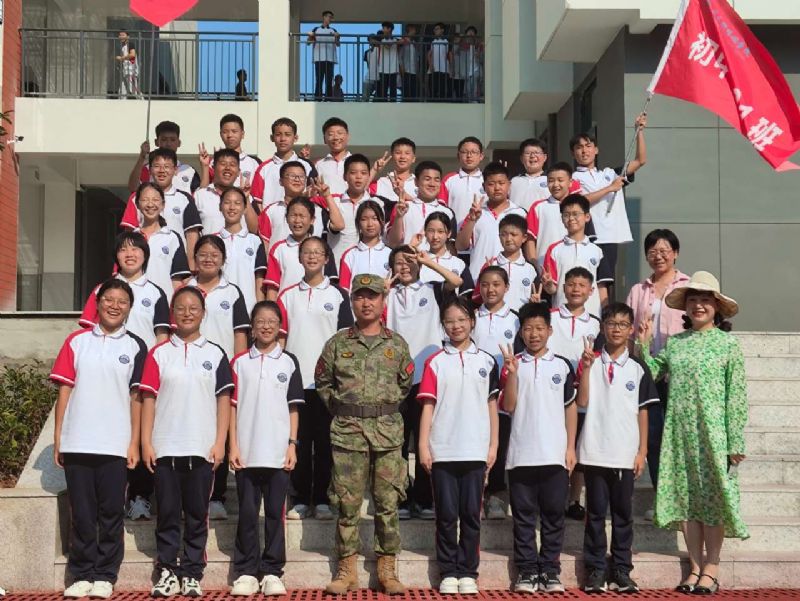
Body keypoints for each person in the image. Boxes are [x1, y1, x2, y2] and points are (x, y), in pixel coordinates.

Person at [637, 271, 748, 595]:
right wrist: (643, 344)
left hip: (714, 434)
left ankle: (712, 566)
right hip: (680, 432)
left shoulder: (728, 345)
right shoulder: (676, 343)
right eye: (693, 300)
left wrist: (735, 441)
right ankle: (695, 566)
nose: (698, 305)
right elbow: (652, 373)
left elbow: (736, 395)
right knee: (686, 501)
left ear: (717, 307)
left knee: (713, 501)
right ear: (685, 307)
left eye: (705, 300)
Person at [315, 273, 414, 594]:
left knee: (387, 502)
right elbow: (323, 383)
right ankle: (347, 568)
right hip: (348, 433)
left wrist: (381, 410)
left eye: (372, 296)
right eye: (360, 296)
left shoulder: (396, 344)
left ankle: (387, 567)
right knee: (347, 502)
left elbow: (405, 385)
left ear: (383, 301)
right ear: (352, 301)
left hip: (387, 434)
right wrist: (345, 410)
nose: (366, 302)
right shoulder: (337, 344)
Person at [52, 279, 147, 600]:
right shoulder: (76, 342)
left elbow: (137, 399)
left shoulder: (135, 346)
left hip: (115, 444)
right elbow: (65, 390)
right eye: (109, 299)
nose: (114, 306)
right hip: (78, 441)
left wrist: (134, 443)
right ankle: (81, 574)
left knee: (110, 513)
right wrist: (59, 437)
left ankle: (105, 574)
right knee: (82, 513)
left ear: (129, 308)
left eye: (122, 301)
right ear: (98, 303)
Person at [141, 286, 233, 598]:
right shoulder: (159, 354)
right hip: (165, 447)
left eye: (194, 308)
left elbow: (224, 401)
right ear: (172, 313)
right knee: (167, 514)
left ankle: (192, 572)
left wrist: (220, 442)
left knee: (197, 515)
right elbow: (148, 400)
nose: (187, 313)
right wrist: (146, 442)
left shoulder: (215, 354)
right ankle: (167, 570)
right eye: (180, 307)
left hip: (202, 449)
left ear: (203, 313)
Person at [417, 296, 499, 595]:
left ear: (472, 322)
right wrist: (423, 446)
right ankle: (448, 571)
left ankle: (468, 571)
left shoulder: (486, 361)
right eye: (450, 321)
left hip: (475, 449)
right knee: (447, 515)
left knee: (471, 515)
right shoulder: (435, 362)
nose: (456, 326)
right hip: (443, 449)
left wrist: (493, 445)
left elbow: (492, 407)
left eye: (462, 320)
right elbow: (428, 406)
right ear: (443, 325)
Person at [576, 302, 658, 594]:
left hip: (624, 453)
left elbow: (643, 411)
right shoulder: (590, 361)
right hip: (594, 450)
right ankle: (596, 569)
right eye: (611, 323)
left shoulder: (638, 367)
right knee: (596, 514)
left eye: (623, 324)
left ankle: (622, 569)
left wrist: (642, 451)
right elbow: (582, 401)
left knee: (623, 515)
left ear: (631, 329)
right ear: (602, 327)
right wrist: (586, 368)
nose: (616, 329)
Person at [499, 301, 577, 594]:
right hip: (521, 454)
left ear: (550, 331)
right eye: (528, 328)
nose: (534, 334)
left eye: (540, 328)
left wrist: (570, 447)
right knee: (523, 517)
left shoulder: (562, 365)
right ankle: (527, 570)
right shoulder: (512, 364)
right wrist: (512, 374)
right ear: (521, 331)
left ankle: (550, 570)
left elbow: (570, 408)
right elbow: (508, 406)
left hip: (554, 455)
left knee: (554, 516)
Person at [228, 301, 302, 597]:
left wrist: (292, 445)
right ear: (252, 326)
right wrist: (233, 444)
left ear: (280, 326)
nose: (266, 326)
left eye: (272, 321)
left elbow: (293, 407)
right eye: (260, 320)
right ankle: (246, 571)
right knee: (247, 513)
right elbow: (232, 407)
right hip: (246, 452)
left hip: (277, 453)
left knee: (274, 514)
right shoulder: (239, 363)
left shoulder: (289, 361)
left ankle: (272, 571)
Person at [278, 237, 353, 521]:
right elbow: (281, 338)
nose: (311, 257)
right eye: (306, 252)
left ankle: (322, 498)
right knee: (299, 440)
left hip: (326, 382)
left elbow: (345, 341)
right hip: (296, 381)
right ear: (299, 258)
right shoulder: (287, 296)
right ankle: (299, 499)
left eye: (317, 252)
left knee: (324, 443)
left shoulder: (338, 295)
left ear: (326, 259)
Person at [386, 244, 463, 519]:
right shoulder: (388, 294)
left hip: (427, 376)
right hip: (395, 378)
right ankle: (401, 498)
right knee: (397, 441)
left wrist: (428, 262)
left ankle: (424, 497)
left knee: (425, 439)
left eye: (409, 261)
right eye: (399, 262)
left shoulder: (432, 289)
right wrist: (383, 290)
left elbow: (456, 281)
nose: (404, 266)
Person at [625, 229, 689, 514]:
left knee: (677, 437)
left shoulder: (688, 287)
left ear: (675, 253)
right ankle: (661, 498)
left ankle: (682, 498)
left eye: (664, 250)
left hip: (679, 373)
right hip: (648, 373)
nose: (658, 256)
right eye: (652, 251)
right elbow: (629, 334)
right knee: (652, 436)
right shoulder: (638, 290)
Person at [570, 113, 648, 281]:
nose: (584, 150)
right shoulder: (573, 178)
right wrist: (610, 188)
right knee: (585, 280)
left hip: (610, 236)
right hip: (589, 236)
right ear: (573, 152)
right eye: (579, 147)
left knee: (605, 282)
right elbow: (580, 202)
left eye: (588, 146)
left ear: (596, 150)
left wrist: (639, 131)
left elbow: (640, 160)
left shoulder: (610, 174)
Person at [472, 266, 519, 520]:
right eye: (485, 284)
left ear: (507, 287)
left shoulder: (516, 319)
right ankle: (476, 495)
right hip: (474, 392)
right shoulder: (470, 317)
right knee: (476, 444)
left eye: (496, 284)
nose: (490, 289)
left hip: (503, 393)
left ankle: (497, 497)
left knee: (499, 445)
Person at [79, 232, 170, 350]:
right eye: (123, 250)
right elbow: (88, 330)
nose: (129, 254)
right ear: (116, 256)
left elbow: (162, 335)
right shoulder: (101, 290)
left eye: (135, 249)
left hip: (143, 358)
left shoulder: (156, 293)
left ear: (145, 254)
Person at [121, 148, 203, 270]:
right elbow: (129, 233)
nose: (162, 170)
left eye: (167, 166)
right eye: (157, 166)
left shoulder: (185, 199)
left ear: (175, 170)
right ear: (150, 170)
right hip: (142, 265)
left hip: (177, 265)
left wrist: (191, 267)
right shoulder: (136, 198)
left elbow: (192, 234)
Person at [542, 194, 612, 317]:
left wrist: (605, 316)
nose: (571, 218)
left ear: (587, 217)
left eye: (575, 214)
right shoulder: (554, 250)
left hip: (592, 315)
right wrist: (548, 285)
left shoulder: (597, 251)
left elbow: (602, 287)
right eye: (566, 215)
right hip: (561, 316)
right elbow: (552, 289)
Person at [456, 161, 526, 283]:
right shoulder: (475, 213)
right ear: (484, 186)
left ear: (509, 185)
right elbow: (460, 246)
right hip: (478, 279)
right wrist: (472, 220)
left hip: (511, 279)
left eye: (501, 183)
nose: (497, 188)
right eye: (491, 184)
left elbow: (527, 247)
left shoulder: (521, 213)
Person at [264, 196, 340, 299]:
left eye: (302, 216)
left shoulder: (323, 248)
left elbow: (331, 285)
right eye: (293, 215)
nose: (297, 220)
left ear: (312, 219)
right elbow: (272, 288)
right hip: (286, 305)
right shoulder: (278, 249)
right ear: (286, 218)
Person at [132, 182, 191, 303]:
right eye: (145, 200)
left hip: (164, 303)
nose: (150, 204)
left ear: (163, 205)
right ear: (137, 204)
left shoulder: (172, 238)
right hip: (135, 303)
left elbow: (177, 280)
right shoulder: (131, 239)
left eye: (155, 200)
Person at [257, 161, 330, 252]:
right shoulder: (270, 211)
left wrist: (327, 196)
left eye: (301, 176)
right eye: (292, 176)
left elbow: (338, 225)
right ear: (281, 181)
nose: (297, 179)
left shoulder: (318, 208)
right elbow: (265, 244)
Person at [217, 187, 267, 314]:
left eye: (237, 203)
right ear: (220, 207)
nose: (232, 207)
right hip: (219, 307)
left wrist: (259, 310)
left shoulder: (254, 241)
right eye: (227, 202)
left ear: (245, 208)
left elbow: (259, 279)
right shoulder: (213, 241)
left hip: (248, 308)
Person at [385, 160, 455, 249]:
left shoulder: (448, 212)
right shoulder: (402, 207)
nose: (432, 184)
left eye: (436, 180)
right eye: (427, 179)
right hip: (408, 257)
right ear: (416, 182)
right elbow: (393, 243)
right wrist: (399, 217)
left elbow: (451, 248)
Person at [523, 162, 579, 269]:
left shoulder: (579, 208)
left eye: (560, 180)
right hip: (545, 269)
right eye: (551, 181)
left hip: (574, 267)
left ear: (570, 182)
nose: (555, 185)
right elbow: (530, 239)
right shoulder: (538, 207)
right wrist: (534, 263)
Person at [250, 117, 315, 209]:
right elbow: (257, 202)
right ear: (272, 138)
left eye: (287, 135)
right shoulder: (264, 168)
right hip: (271, 217)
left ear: (295, 138)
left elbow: (313, 195)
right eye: (278, 134)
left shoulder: (307, 166)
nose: (283, 139)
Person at [327, 154, 377, 265]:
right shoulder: (333, 202)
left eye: (363, 173)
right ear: (345, 176)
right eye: (353, 173)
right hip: (337, 266)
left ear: (369, 176)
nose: (358, 177)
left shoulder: (377, 204)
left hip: (366, 267)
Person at [194, 149, 258, 236]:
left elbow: (254, 229)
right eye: (223, 164)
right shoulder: (199, 195)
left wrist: (246, 198)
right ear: (213, 168)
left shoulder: (247, 197)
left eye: (232, 165)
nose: (227, 168)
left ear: (238, 171)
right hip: (209, 244)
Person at [479, 214, 536, 311]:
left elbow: (536, 296)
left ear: (524, 238)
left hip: (521, 318)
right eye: (504, 234)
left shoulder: (530, 269)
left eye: (513, 234)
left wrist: (535, 303)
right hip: (495, 316)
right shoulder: (490, 265)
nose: (509, 239)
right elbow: (478, 297)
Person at [127, 122, 200, 195]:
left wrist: (204, 166)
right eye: (164, 139)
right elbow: (133, 188)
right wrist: (142, 156)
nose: (168, 144)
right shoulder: (148, 168)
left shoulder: (189, 171)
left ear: (179, 142)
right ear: (156, 142)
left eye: (172, 140)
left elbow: (199, 195)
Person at [339, 200, 391, 292]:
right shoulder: (349, 255)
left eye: (374, 219)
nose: (370, 224)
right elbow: (344, 289)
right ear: (358, 223)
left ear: (382, 222)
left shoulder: (390, 254)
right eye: (364, 219)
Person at [418, 212, 474, 298]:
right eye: (431, 231)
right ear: (425, 232)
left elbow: (466, 297)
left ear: (449, 234)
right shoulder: (418, 260)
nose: (435, 236)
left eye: (440, 231)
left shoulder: (459, 264)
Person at [199, 114, 261, 189]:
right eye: (225, 132)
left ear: (242, 134)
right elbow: (204, 192)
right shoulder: (213, 162)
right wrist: (205, 167)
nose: (229, 135)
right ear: (220, 134)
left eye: (234, 131)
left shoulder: (254, 163)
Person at [440, 136, 485, 227]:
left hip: (482, 232)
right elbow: (441, 209)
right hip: (455, 232)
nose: (469, 156)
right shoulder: (448, 180)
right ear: (458, 156)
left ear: (481, 156)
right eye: (464, 152)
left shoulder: (487, 180)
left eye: (474, 152)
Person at [369, 137, 418, 206]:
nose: (402, 156)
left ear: (413, 158)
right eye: (398, 153)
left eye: (407, 153)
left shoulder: (420, 184)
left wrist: (403, 195)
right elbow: (360, 192)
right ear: (392, 156)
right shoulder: (381, 182)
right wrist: (374, 170)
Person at [510, 138, 549, 211]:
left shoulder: (551, 180)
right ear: (521, 159)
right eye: (527, 153)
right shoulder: (513, 181)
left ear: (544, 157)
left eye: (537, 152)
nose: (532, 156)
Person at [308, 11, 340, 100]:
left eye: (331, 17)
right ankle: (318, 98)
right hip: (319, 58)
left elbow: (338, 44)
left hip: (330, 59)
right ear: (324, 17)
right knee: (319, 79)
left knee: (329, 80)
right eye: (329, 17)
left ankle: (328, 98)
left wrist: (337, 37)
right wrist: (310, 36)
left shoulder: (333, 30)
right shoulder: (316, 29)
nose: (330, 19)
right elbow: (308, 42)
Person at [315, 117, 351, 194]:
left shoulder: (356, 162)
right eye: (331, 134)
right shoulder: (319, 165)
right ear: (324, 139)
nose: (336, 137)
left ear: (348, 136)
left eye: (340, 133)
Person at [452, 27, 483, 102]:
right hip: (465, 71)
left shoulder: (478, 45)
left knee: (474, 87)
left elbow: (483, 58)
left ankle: (474, 101)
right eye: (469, 32)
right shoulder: (462, 45)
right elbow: (454, 52)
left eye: (473, 32)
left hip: (476, 70)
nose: (471, 33)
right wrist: (457, 41)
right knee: (467, 89)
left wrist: (479, 55)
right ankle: (470, 101)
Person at [377, 22, 400, 102]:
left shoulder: (396, 39)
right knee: (383, 90)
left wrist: (392, 43)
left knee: (393, 89)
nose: (383, 30)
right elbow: (371, 39)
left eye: (384, 28)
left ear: (389, 29)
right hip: (383, 68)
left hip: (393, 68)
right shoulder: (380, 39)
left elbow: (405, 41)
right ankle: (383, 105)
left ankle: (393, 105)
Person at [428, 23, 451, 100]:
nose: (435, 31)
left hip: (444, 69)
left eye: (437, 29)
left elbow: (449, 55)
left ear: (442, 30)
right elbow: (429, 54)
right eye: (434, 29)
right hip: (434, 69)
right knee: (433, 90)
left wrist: (451, 68)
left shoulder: (447, 41)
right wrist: (430, 65)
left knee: (442, 90)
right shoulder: (433, 41)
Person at [116, 30, 140, 98]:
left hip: (131, 72)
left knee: (134, 91)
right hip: (126, 71)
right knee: (122, 91)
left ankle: (141, 100)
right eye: (120, 35)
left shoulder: (130, 44)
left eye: (123, 35)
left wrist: (121, 58)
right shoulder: (123, 46)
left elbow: (132, 55)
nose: (121, 37)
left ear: (128, 37)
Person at [399, 25, 419, 101]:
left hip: (414, 71)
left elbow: (417, 57)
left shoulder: (414, 43)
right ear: (410, 30)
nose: (415, 31)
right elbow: (400, 56)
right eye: (414, 30)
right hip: (406, 70)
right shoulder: (403, 41)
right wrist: (401, 67)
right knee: (406, 90)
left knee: (413, 91)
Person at [363, 34, 381, 102]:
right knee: (365, 96)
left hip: (379, 76)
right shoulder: (367, 52)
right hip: (370, 76)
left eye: (371, 40)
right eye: (369, 40)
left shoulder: (381, 50)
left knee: (379, 95)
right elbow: (368, 65)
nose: (370, 42)